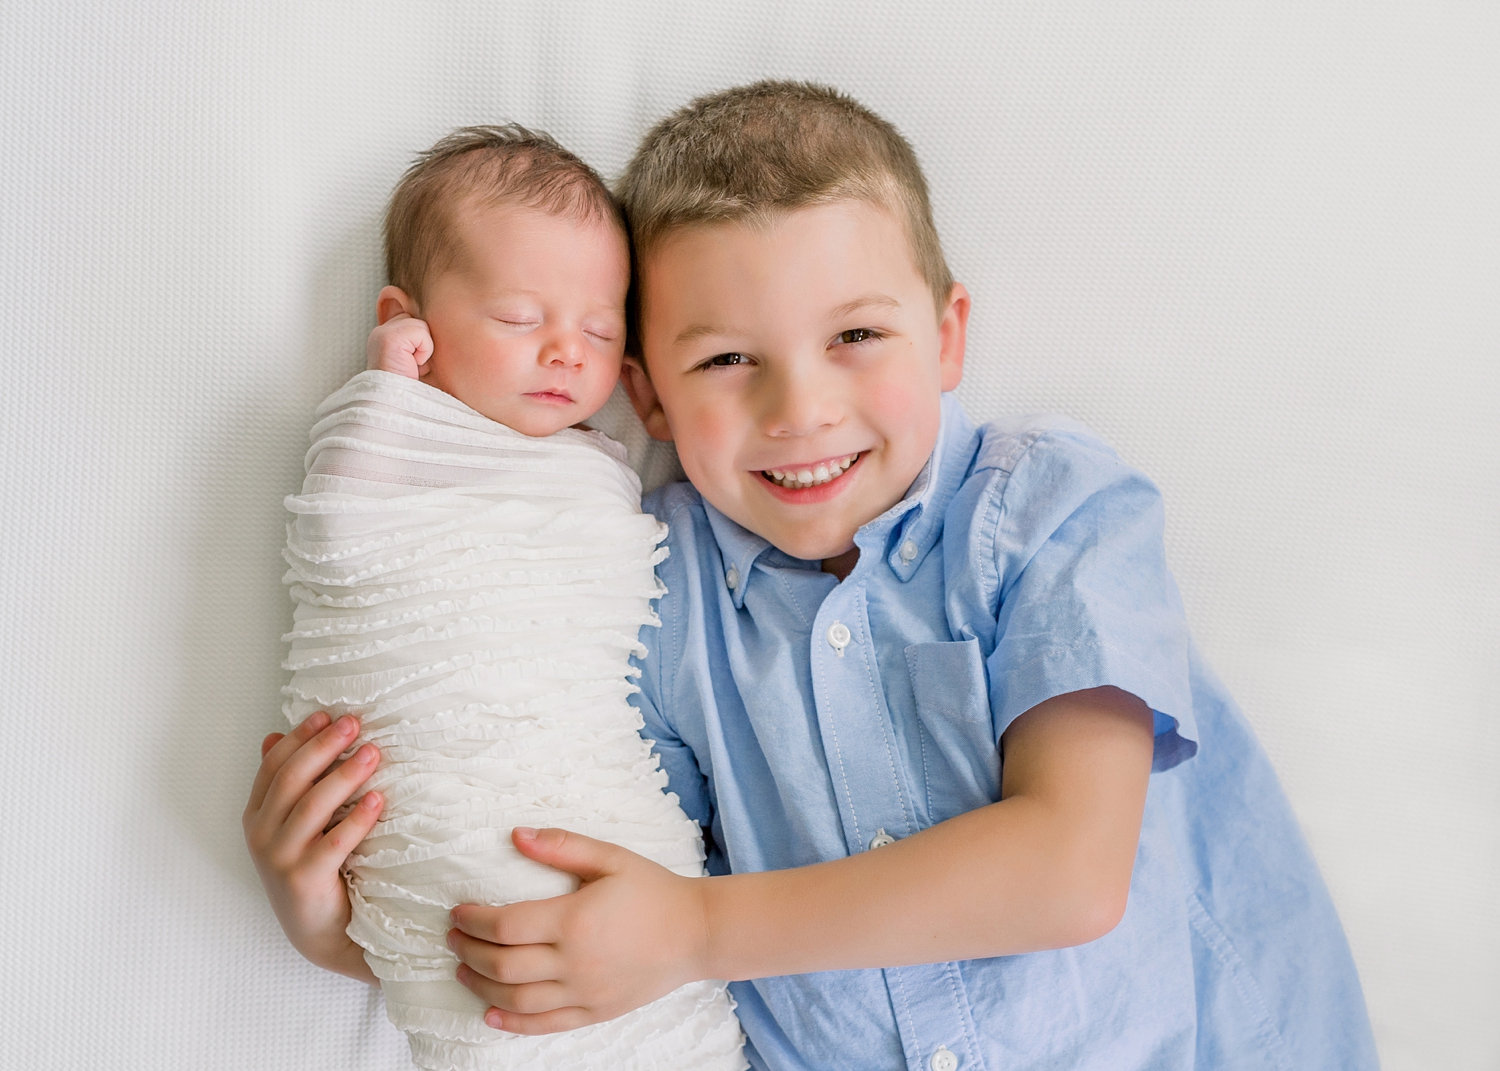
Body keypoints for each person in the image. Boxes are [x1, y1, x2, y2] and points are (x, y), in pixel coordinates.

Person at [434, 83, 1382, 1070]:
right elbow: (587, 908)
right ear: (649, 397)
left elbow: (1069, 871)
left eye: (854, 337)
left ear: (948, 335)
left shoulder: (1049, 511)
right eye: (724, 359)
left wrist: (695, 930)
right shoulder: (653, 588)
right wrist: (330, 914)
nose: (800, 408)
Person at [244, 125, 745, 1071]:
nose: (567, 352)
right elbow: (342, 547)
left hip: (596, 808)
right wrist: (385, 395)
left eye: (601, 331)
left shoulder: (601, 475)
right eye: (521, 319)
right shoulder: (385, 442)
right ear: (412, 323)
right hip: (435, 803)